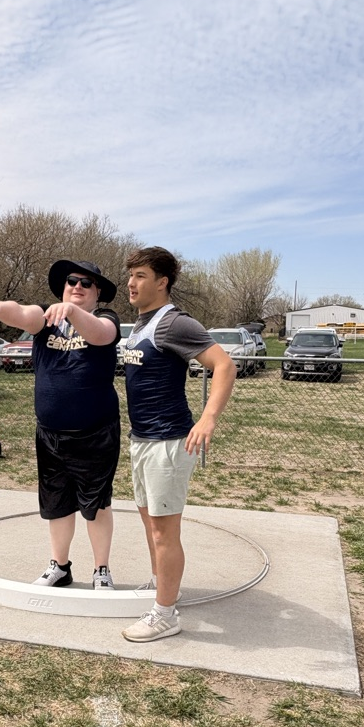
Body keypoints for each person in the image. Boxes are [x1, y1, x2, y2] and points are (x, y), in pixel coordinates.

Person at [0, 259, 121, 590]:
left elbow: (101, 336)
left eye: (87, 283)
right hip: (51, 433)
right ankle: (60, 567)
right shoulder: (46, 318)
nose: (78, 287)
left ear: (98, 292)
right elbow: (22, 313)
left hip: (96, 433)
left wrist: (71, 313)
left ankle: (101, 570)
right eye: (72, 281)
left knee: (95, 505)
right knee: (57, 504)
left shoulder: (104, 319)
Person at [120, 246, 237, 643]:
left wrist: (208, 418)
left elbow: (224, 364)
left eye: (140, 276)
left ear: (162, 282)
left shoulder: (174, 324)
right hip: (142, 440)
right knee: (150, 526)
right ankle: (163, 589)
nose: (131, 283)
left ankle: (165, 614)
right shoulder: (140, 323)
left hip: (168, 442)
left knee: (163, 533)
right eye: (130, 275)